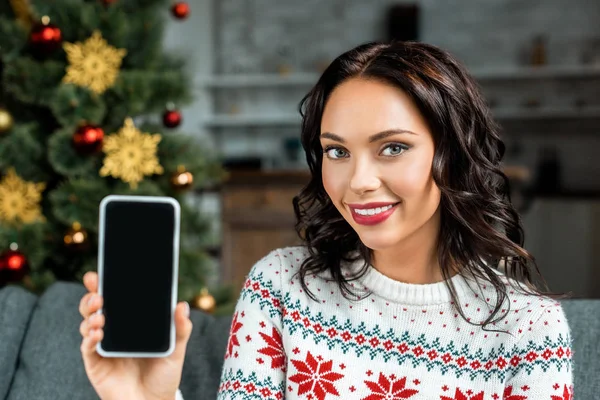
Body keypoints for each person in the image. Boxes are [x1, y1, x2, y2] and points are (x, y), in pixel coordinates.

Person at [79, 41, 573, 399]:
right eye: (336, 150)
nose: (357, 180)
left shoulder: (531, 329)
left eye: (392, 148)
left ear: (453, 155)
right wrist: (143, 399)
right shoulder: (280, 289)